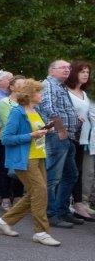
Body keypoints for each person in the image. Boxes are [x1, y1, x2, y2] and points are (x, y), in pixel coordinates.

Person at [0, 79, 59, 245]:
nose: (42, 95)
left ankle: (4, 222)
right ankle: (41, 232)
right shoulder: (18, 112)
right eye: (39, 92)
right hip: (25, 160)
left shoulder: (35, 111)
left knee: (35, 193)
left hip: (38, 157)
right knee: (40, 192)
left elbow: (35, 132)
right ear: (30, 95)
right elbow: (6, 138)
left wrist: (46, 130)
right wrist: (30, 136)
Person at [39, 59, 79, 229]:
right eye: (63, 67)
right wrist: (61, 129)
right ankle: (50, 214)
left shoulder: (60, 86)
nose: (67, 70)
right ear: (52, 70)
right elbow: (48, 108)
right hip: (56, 136)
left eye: (69, 68)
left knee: (71, 175)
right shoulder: (48, 84)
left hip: (67, 137)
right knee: (53, 177)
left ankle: (62, 211)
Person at [0, 71, 21, 209]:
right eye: (9, 78)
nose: (11, 80)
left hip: (13, 137)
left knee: (11, 166)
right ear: (0, 81)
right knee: (0, 165)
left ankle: (13, 194)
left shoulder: (19, 99)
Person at [64, 61, 92, 220]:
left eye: (87, 72)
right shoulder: (65, 92)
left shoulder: (85, 94)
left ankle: (78, 203)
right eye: (82, 71)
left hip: (83, 138)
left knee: (78, 171)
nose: (86, 74)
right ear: (74, 73)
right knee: (68, 171)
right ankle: (65, 204)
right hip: (70, 137)